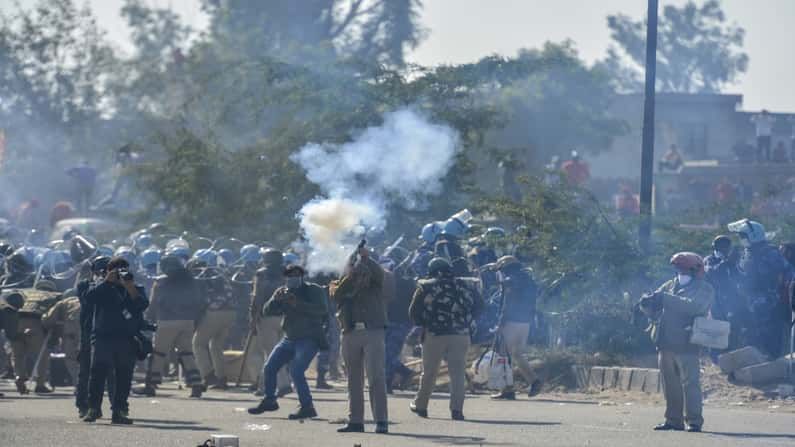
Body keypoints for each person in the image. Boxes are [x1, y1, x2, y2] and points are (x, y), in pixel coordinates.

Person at [639, 252, 713, 433]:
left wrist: (664, 298)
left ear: (696, 269)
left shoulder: (704, 288)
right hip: (665, 343)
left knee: (690, 384)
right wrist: (647, 304)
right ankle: (673, 420)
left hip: (687, 343)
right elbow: (656, 305)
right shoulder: (669, 285)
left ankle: (694, 421)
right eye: (678, 268)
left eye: (684, 268)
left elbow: (695, 306)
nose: (680, 271)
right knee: (669, 384)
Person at [248, 265, 327, 420]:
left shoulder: (313, 290)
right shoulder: (283, 291)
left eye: (296, 275)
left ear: (302, 276)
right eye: (289, 275)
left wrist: (297, 303)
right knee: (270, 368)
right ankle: (270, 400)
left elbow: (321, 310)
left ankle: (307, 407)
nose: (293, 278)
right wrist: (274, 299)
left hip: (309, 338)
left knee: (296, 370)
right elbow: (267, 311)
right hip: (290, 338)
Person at [408, 257, 482, 421]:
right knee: (457, 373)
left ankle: (421, 406)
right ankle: (457, 410)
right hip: (461, 334)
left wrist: (424, 324)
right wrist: (466, 321)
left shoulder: (426, 286)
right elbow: (480, 307)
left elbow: (413, 312)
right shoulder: (467, 284)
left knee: (429, 373)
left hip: (434, 335)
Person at [331, 245, 389, 434]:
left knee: (376, 378)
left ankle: (381, 420)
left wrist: (366, 259)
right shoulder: (341, 282)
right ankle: (355, 421)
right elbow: (337, 295)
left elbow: (379, 274)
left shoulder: (375, 279)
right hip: (350, 332)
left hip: (372, 331)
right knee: (353, 380)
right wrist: (351, 277)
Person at [82, 257, 148, 424]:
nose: (121, 274)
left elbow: (142, 305)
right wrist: (106, 282)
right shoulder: (100, 287)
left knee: (124, 377)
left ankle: (119, 411)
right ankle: (93, 408)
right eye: (117, 271)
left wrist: (129, 287)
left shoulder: (135, 287)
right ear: (108, 271)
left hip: (126, 338)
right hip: (103, 337)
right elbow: (88, 299)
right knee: (98, 374)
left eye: (124, 270)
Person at [135, 254, 204, 398]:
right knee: (187, 353)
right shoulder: (190, 280)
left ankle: (151, 385)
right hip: (188, 321)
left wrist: (148, 319)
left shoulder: (160, 282)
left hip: (167, 321)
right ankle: (196, 384)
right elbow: (199, 301)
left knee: (159, 353)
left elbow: (153, 304)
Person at [728, 219, 793, 358]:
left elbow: (789, 273)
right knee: (750, 339)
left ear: (754, 235)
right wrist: (731, 265)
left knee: (770, 340)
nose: (741, 239)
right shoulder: (746, 253)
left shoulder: (770, 253)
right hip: (748, 302)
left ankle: (771, 367)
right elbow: (741, 276)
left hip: (768, 303)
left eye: (743, 236)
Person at [491, 256, 542, 400]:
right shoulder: (529, 280)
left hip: (511, 322)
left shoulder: (510, 281)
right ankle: (534, 381)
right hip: (525, 322)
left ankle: (507, 389)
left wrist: (501, 323)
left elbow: (507, 305)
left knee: (503, 354)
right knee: (518, 354)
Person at [247, 249, 291, 396]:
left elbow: (257, 297)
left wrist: (253, 317)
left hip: (267, 316)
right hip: (285, 317)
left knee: (270, 353)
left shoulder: (261, 273)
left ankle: (275, 385)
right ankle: (269, 385)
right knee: (279, 353)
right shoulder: (288, 273)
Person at [190, 251, 237, 390]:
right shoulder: (220, 274)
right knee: (216, 346)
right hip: (231, 312)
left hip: (214, 312)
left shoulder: (200, 275)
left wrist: (196, 320)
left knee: (198, 344)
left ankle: (208, 375)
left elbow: (199, 300)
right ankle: (221, 379)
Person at [10, 281, 62, 395]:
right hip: (36, 323)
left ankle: (19, 376)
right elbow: (53, 316)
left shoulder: (25, 292)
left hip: (16, 322)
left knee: (18, 355)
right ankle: (40, 384)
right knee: (42, 356)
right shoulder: (54, 296)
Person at [703, 236, 745, 351]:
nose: (726, 249)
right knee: (717, 332)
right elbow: (711, 272)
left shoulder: (730, 261)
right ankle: (718, 358)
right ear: (715, 247)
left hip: (732, 302)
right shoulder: (709, 260)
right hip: (716, 303)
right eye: (723, 246)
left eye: (727, 246)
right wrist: (727, 262)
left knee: (734, 332)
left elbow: (741, 277)